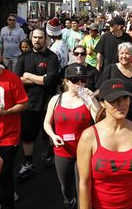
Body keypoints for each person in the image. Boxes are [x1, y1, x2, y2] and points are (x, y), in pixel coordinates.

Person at [77, 78, 132, 209]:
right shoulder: (89, 136)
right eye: (114, 100)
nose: (121, 104)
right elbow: (84, 182)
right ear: (102, 103)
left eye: (125, 98)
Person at [44, 63, 100, 209]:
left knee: (83, 184)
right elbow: (47, 123)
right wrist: (53, 136)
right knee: (65, 185)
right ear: (67, 81)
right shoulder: (56, 100)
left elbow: (100, 121)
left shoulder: (87, 100)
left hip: (84, 151)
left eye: (83, 80)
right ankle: (69, 200)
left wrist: (92, 99)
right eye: (75, 80)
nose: (80, 83)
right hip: (63, 150)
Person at [0, 44, 28, 208]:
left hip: (6, 137)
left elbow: (24, 104)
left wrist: (6, 111)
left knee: (4, 177)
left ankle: (7, 203)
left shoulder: (11, 78)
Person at [15, 27, 59, 180]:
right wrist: (39, 79)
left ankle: (48, 154)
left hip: (47, 103)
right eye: (35, 37)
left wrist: (27, 76)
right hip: (28, 104)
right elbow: (17, 80)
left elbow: (49, 80)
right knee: (27, 137)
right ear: (31, 38)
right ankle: (28, 163)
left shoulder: (52, 57)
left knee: (47, 134)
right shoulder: (23, 58)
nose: (37, 40)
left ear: (45, 39)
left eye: (40, 37)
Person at [96, 42, 132, 122]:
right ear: (118, 55)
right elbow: (101, 89)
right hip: (116, 112)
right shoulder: (111, 69)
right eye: (121, 53)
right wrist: (90, 96)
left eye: (127, 53)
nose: (124, 56)